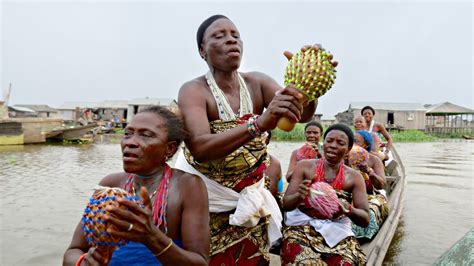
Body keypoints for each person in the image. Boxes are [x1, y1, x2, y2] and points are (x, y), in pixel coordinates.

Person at [175, 14, 335, 265]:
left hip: (249, 205)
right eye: (219, 36)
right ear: (202, 51)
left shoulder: (257, 83)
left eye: (235, 35)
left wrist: (307, 85)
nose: (231, 41)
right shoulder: (194, 90)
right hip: (207, 205)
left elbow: (301, 114)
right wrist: (259, 123)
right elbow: (200, 148)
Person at [63, 106, 209, 266]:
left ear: (169, 148)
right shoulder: (110, 185)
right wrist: (83, 262)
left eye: (146, 135)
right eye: (127, 134)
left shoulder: (187, 186)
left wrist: (151, 236)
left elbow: (200, 262)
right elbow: (73, 251)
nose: (130, 142)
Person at [281, 124, 369, 265]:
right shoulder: (304, 166)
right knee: (301, 262)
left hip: (337, 228)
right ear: (324, 143)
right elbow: (286, 204)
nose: (333, 146)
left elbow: (365, 219)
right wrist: (299, 196)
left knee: (348, 263)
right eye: (329, 141)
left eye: (340, 143)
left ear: (348, 150)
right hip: (302, 225)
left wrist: (348, 210)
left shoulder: (354, 177)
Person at [348, 131, 389, 241]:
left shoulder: (374, 160)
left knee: (369, 212)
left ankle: (363, 237)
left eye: (356, 142)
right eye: (351, 142)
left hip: (370, 196)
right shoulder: (345, 158)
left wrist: (370, 172)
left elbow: (381, 185)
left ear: (365, 145)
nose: (353, 145)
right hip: (348, 195)